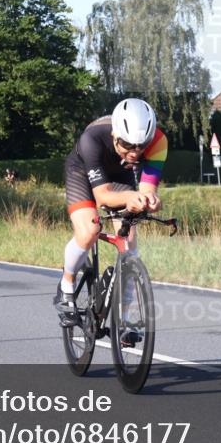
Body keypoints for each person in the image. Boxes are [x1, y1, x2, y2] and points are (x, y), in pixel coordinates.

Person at [54, 98, 168, 326]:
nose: (135, 153)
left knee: (130, 241)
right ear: (115, 135)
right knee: (90, 230)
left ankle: (123, 318)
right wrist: (129, 197)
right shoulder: (92, 139)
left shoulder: (158, 142)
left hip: (119, 177)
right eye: (127, 145)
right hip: (82, 173)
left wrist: (149, 200)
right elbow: (103, 196)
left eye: (141, 146)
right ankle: (66, 287)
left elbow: (146, 188)